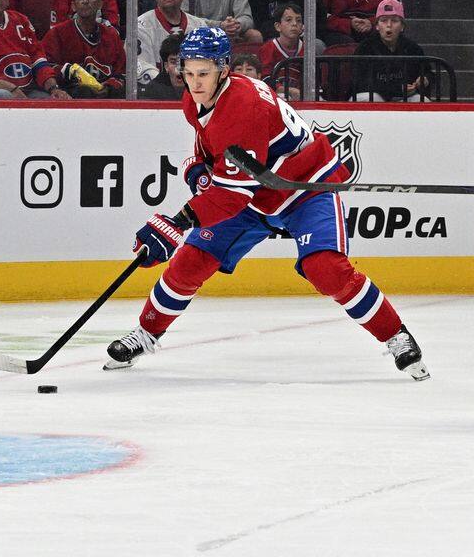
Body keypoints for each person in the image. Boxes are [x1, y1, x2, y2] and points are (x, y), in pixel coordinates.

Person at [105, 27, 428, 379]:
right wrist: (199, 168)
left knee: (326, 270)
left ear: (224, 69)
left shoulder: (244, 108)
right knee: (191, 262)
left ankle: (396, 335)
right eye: (189, 72)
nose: (195, 83)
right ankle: (147, 332)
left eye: (204, 74)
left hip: (303, 186)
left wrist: (179, 221)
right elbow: (212, 145)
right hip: (254, 191)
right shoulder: (194, 99)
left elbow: (229, 196)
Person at [42, 0, 126, 98]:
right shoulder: (57, 34)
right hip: (71, 95)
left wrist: (108, 87)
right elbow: (46, 68)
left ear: (100, 4)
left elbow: (121, 73)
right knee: (84, 91)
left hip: (107, 97)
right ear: (73, 6)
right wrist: (68, 71)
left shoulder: (112, 35)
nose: (85, 1)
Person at [136, 0, 206, 85]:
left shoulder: (200, 27)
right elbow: (140, 67)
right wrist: (170, 88)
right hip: (156, 98)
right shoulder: (140, 26)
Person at [352, 0, 431, 103]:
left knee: (422, 100)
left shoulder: (413, 48)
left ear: (402, 26)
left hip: (403, 97)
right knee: (373, 98)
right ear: (377, 26)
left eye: (394, 20)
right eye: (384, 20)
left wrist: (424, 79)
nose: (389, 25)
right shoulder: (365, 48)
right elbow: (360, 82)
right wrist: (397, 88)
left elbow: (428, 72)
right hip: (373, 96)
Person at [257, 2, 308, 101]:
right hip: (274, 97)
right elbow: (265, 79)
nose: (294, 24)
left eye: (299, 21)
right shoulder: (267, 49)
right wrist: (290, 91)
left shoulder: (306, 50)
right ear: (277, 26)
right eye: (288, 20)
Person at [140, 32, 187, 100]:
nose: (178, 69)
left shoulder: (204, 88)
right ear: (166, 66)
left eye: (184, 63)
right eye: (173, 62)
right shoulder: (152, 92)